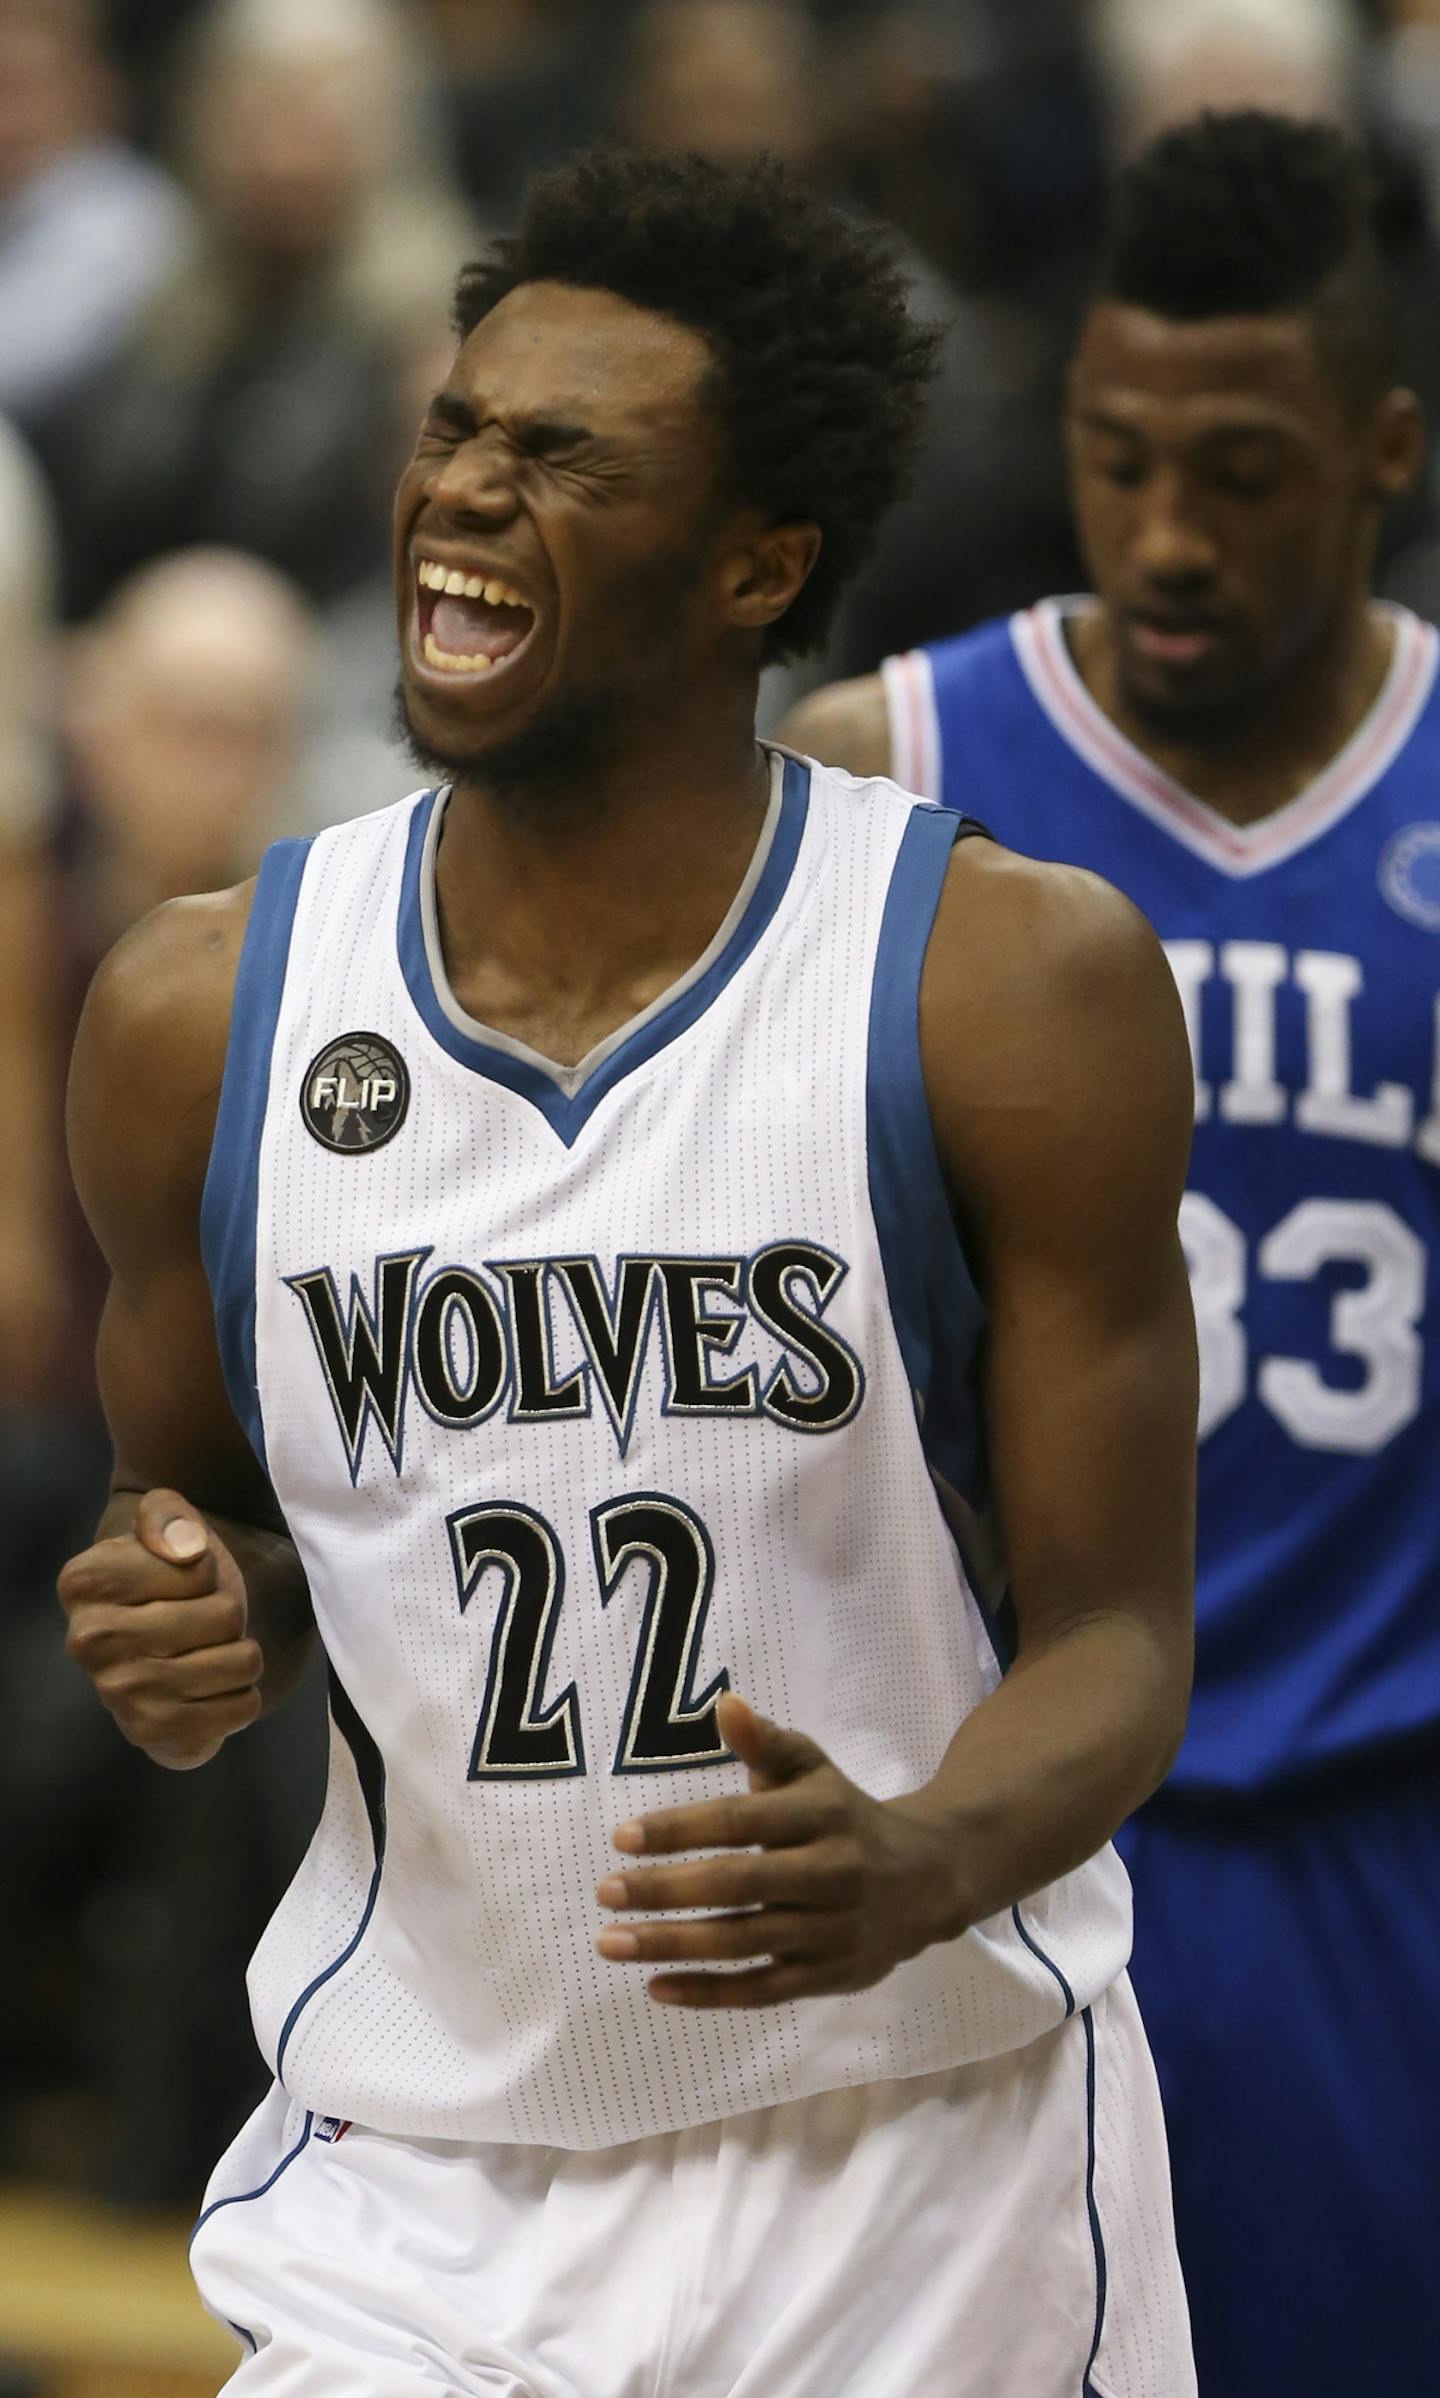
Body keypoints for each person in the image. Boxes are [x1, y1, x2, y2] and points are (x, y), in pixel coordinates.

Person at [56, 148, 1197, 2395]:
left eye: (559, 458)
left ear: (756, 563)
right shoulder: (201, 1013)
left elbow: (1126, 1632)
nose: (463, 494)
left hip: (920, 2163)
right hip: (424, 2169)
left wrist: (921, 1850)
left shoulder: (1002, 981)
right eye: (456, 431)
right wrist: (186, 1605)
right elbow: (220, 1531)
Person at [781, 108, 1440, 2398]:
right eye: (1118, 454)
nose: (1167, 533)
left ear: (1383, 448)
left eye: (1245, 474)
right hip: (986, 1825)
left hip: (1378, 1837)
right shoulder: (882, 773)